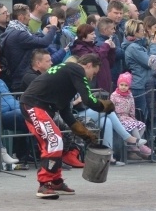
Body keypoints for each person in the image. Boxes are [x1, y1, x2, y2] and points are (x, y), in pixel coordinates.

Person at [20, 54, 115, 199]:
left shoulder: (67, 76)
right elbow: (88, 99)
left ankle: (56, 181)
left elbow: (65, 111)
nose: (92, 78)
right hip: (34, 105)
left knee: (58, 141)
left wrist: (84, 134)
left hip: (39, 106)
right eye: (93, 73)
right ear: (88, 65)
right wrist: (103, 105)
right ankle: (44, 184)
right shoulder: (76, 69)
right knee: (54, 141)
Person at [1, 3, 58, 91]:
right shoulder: (19, 34)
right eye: (28, 15)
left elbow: (33, 37)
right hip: (20, 79)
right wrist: (54, 26)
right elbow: (44, 43)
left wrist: (44, 33)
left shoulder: (12, 30)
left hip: (17, 77)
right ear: (21, 17)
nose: (30, 18)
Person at [110, 72, 152, 158]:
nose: (123, 87)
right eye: (121, 85)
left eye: (126, 85)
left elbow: (132, 107)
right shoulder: (114, 95)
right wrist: (116, 117)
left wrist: (133, 117)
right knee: (133, 126)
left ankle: (133, 144)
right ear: (118, 84)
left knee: (141, 125)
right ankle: (139, 145)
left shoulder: (130, 95)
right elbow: (111, 107)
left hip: (127, 117)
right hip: (118, 117)